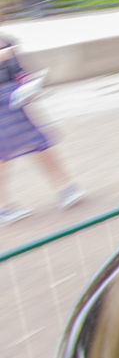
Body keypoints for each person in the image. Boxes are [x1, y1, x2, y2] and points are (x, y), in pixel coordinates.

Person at [0, 33, 85, 224]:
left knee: (39, 145)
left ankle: (65, 188)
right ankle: (3, 207)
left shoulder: (6, 40)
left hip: (14, 101)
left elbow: (19, 70)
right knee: (4, 155)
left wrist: (29, 83)